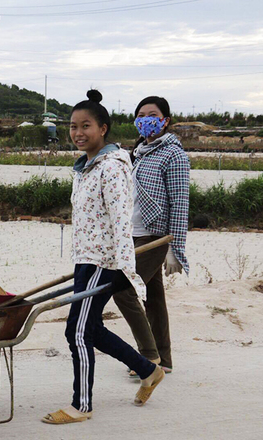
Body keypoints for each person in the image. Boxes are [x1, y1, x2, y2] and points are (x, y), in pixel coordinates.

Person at [42, 90, 165, 425]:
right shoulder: (84, 168)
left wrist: (125, 268)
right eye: (73, 127)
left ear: (103, 129)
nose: (78, 133)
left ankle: (81, 405)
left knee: (77, 332)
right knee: (90, 328)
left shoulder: (111, 168)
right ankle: (148, 370)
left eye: (86, 126)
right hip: (86, 258)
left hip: (103, 262)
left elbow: (120, 220)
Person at [113, 96, 190, 375]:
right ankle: (165, 358)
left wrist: (174, 248)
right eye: (141, 115)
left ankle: (149, 357)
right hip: (133, 234)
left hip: (155, 237)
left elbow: (180, 202)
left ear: (165, 120)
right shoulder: (139, 152)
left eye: (153, 115)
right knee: (153, 297)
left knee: (123, 290)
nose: (146, 120)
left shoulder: (174, 154)